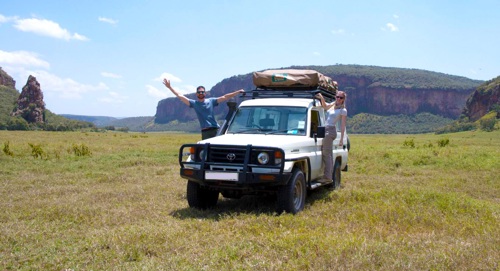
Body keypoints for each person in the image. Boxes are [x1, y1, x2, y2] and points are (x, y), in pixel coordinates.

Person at [163, 78, 245, 139]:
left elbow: (225, 97)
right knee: (206, 152)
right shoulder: (194, 103)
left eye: (202, 92)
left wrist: (238, 92)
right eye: (199, 92)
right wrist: (170, 87)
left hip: (215, 130)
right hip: (205, 131)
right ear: (196, 94)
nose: (201, 93)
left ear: (205, 93)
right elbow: (180, 96)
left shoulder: (211, 101)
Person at [315, 91, 347, 183]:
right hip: (325, 129)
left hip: (331, 130)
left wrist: (341, 139)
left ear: (343, 100)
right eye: (337, 97)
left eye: (341, 98)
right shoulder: (333, 104)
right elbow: (325, 107)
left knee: (326, 154)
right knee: (329, 154)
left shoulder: (343, 110)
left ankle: (327, 177)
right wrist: (321, 97)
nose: (338, 99)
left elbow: (342, 125)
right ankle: (329, 175)